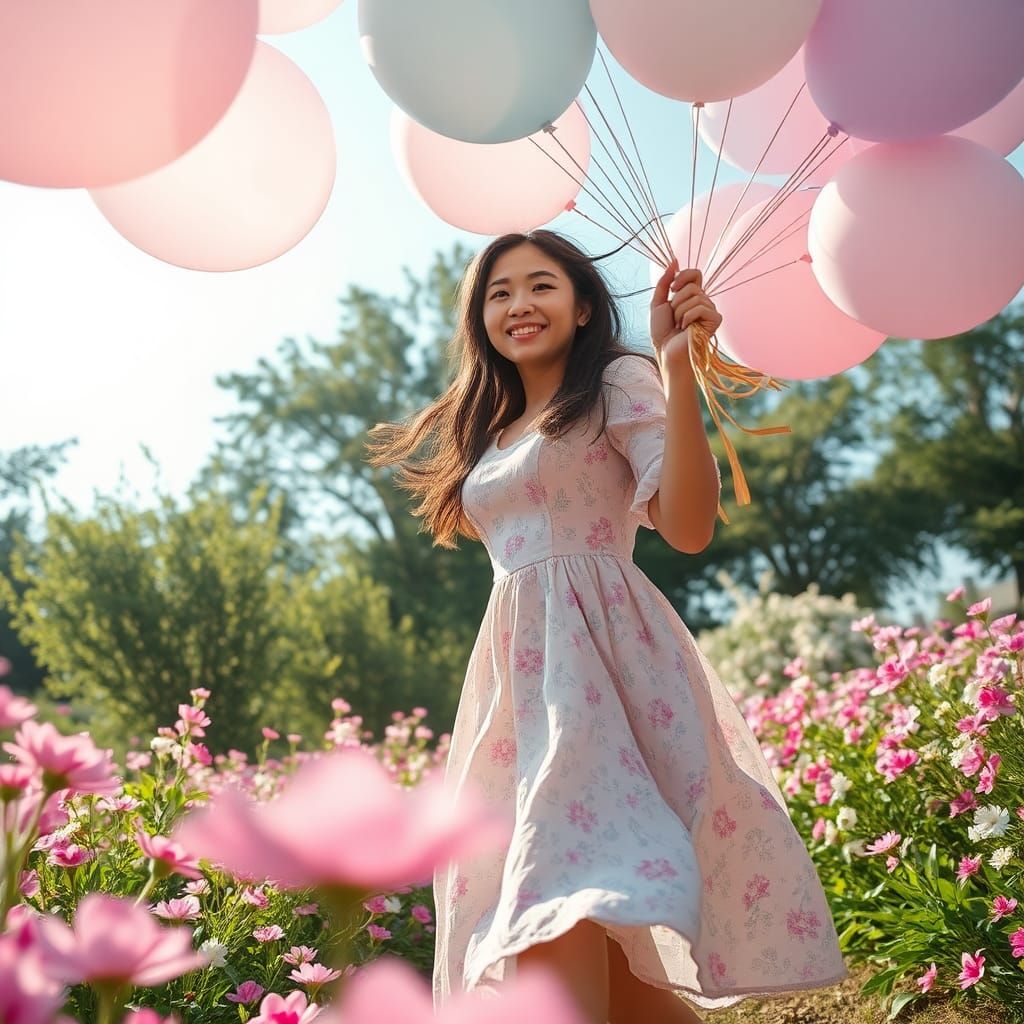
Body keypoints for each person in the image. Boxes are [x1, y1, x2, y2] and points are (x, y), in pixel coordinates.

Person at [365, 230, 848, 1023]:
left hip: (604, 678)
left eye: (540, 285)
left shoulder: (620, 381)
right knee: (617, 981)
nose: (519, 303)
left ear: (584, 304)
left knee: (558, 896)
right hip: (517, 691)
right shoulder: (488, 430)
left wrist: (677, 369)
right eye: (499, 292)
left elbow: (687, 526)